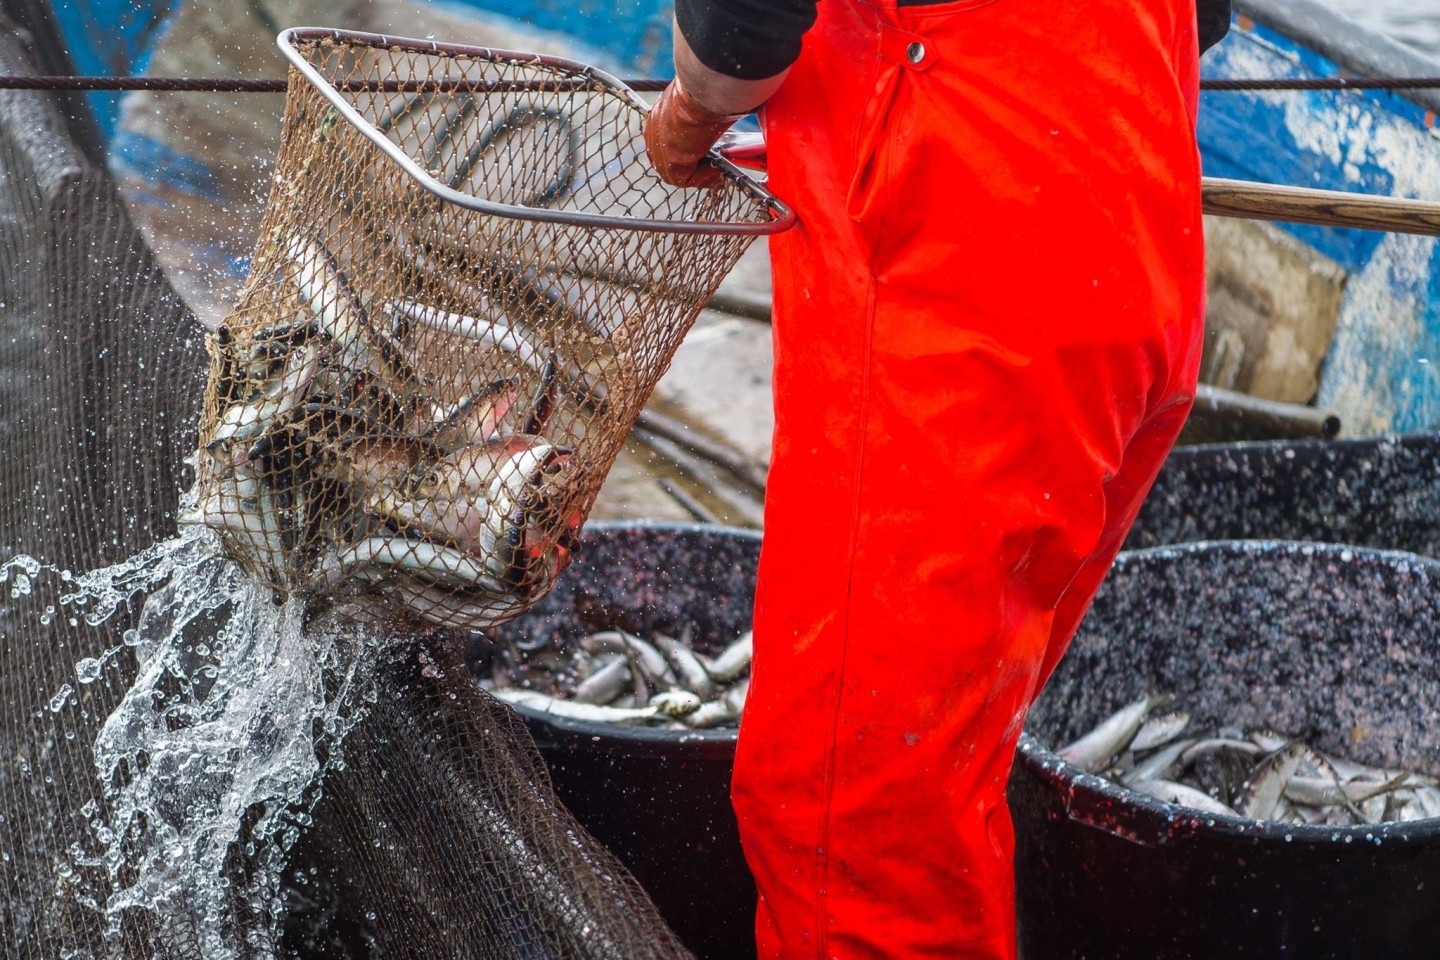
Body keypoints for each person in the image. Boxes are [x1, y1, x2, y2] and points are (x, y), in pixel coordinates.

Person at [645, 1, 1231, 956]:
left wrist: (688, 115)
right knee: (947, 765)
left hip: (961, 299)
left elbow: (738, 37)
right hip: (1131, 262)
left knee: (853, 821)